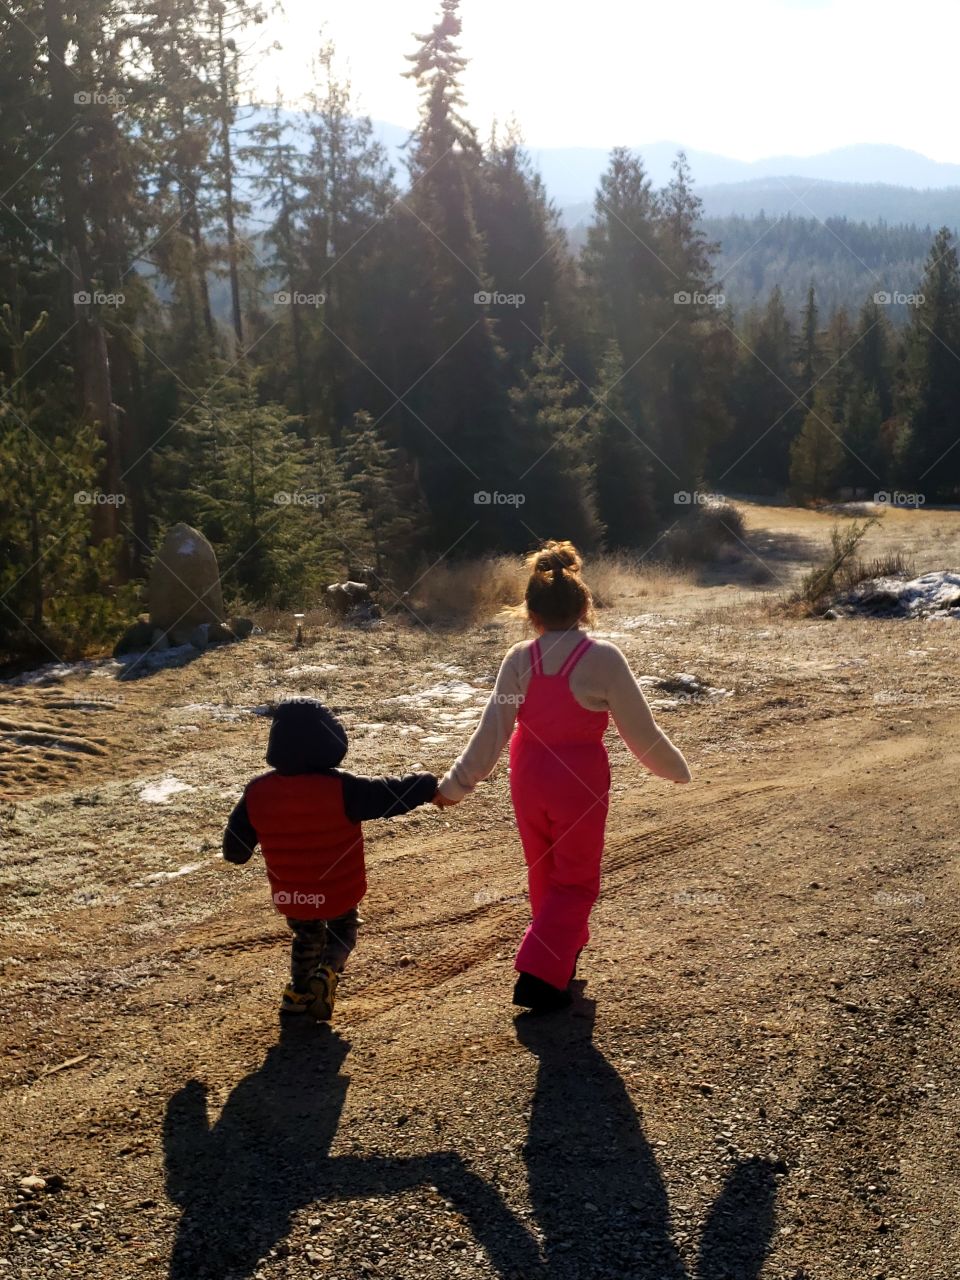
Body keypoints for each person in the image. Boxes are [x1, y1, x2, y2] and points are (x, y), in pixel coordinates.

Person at [434, 541, 691, 1012]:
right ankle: (539, 974)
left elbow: (491, 730)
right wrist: (674, 770)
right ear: (585, 607)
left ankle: (561, 957)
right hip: (579, 781)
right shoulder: (604, 658)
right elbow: (641, 732)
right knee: (575, 882)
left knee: (544, 873)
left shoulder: (518, 659)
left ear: (530, 613)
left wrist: (454, 786)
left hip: (528, 775)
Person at [223, 698, 437, 1020]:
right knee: (343, 928)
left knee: (305, 935)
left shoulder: (257, 793)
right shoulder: (342, 788)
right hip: (338, 892)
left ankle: (297, 993)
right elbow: (389, 795)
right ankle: (327, 972)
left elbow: (235, 851)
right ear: (329, 744)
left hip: (292, 894)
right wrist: (425, 784)